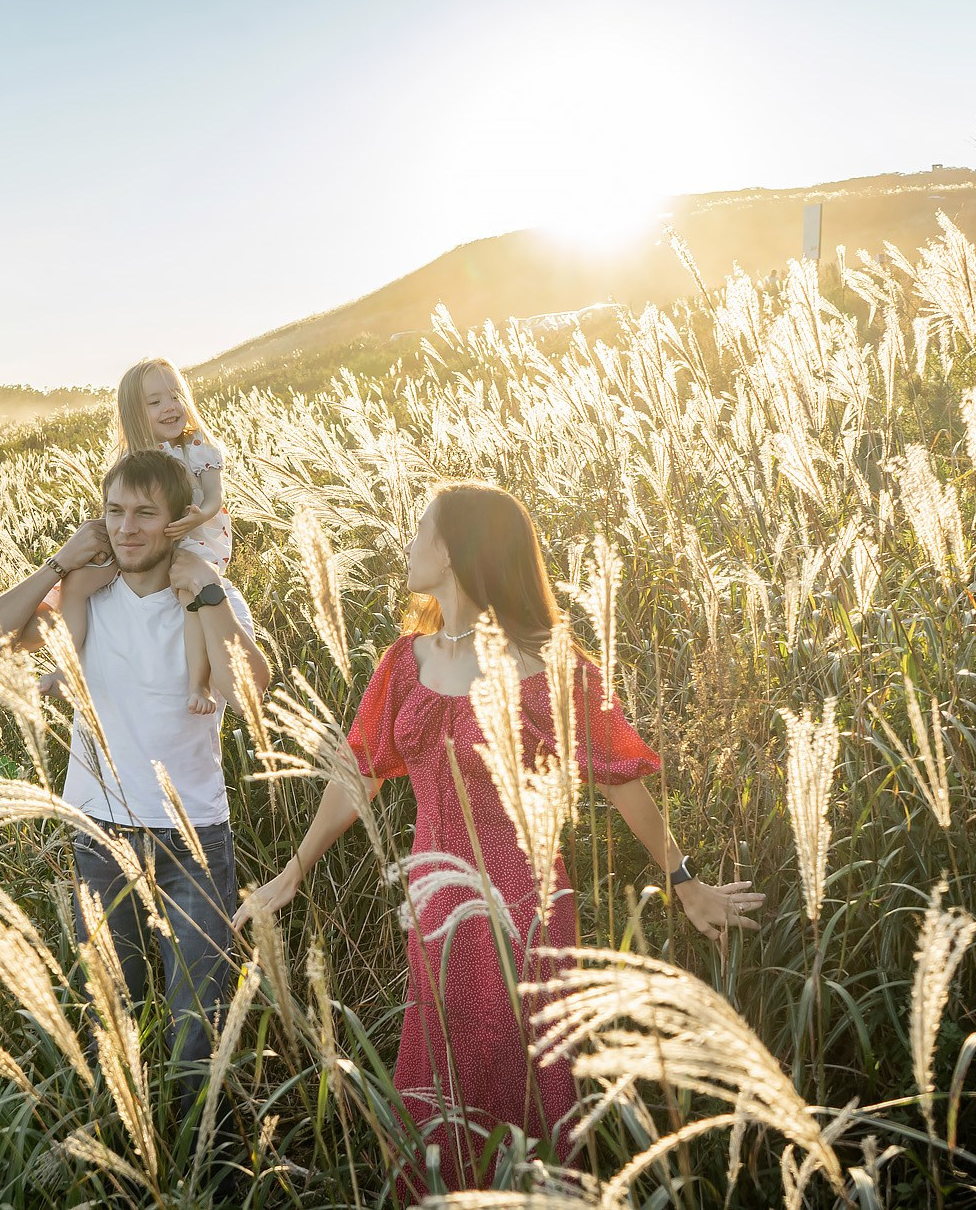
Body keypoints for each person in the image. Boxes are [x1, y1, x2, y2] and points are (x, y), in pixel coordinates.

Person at [233, 481, 762, 1193]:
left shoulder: (549, 663)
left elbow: (619, 778)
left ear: (455, 549)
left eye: (423, 528)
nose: (410, 542)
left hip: (524, 904)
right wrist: (295, 868)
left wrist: (682, 876)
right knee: (444, 1068)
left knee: (523, 1070)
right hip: (430, 905)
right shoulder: (404, 661)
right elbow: (355, 774)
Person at [0, 449, 271, 1132]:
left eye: (144, 513)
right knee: (116, 1012)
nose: (127, 527)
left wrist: (210, 590)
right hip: (100, 834)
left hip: (195, 841)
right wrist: (60, 561)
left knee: (199, 1026)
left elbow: (250, 689)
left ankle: (205, 1165)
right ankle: (131, 1158)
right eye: (115, 512)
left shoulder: (207, 596)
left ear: (174, 523)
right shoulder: (89, 594)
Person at [58, 358, 231, 714]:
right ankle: (65, 667)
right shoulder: (131, 462)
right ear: (134, 413)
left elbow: (215, 497)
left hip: (192, 540)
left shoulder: (197, 447)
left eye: (175, 396)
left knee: (189, 597)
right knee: (76, 585)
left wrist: (201, 514)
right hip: (143, 547)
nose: (170, 408)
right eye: (155, 402)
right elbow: (121, 510)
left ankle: (199, 684)